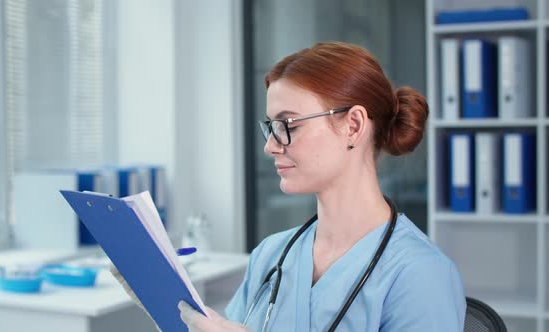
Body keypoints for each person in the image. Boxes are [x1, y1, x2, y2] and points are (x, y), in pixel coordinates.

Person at [118, 41, 466, 331]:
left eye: (288, 125)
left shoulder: (421, 275)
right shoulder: (271, 255)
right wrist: (166, 301)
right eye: (270, 127)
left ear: (354, 126)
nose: (271, 145)